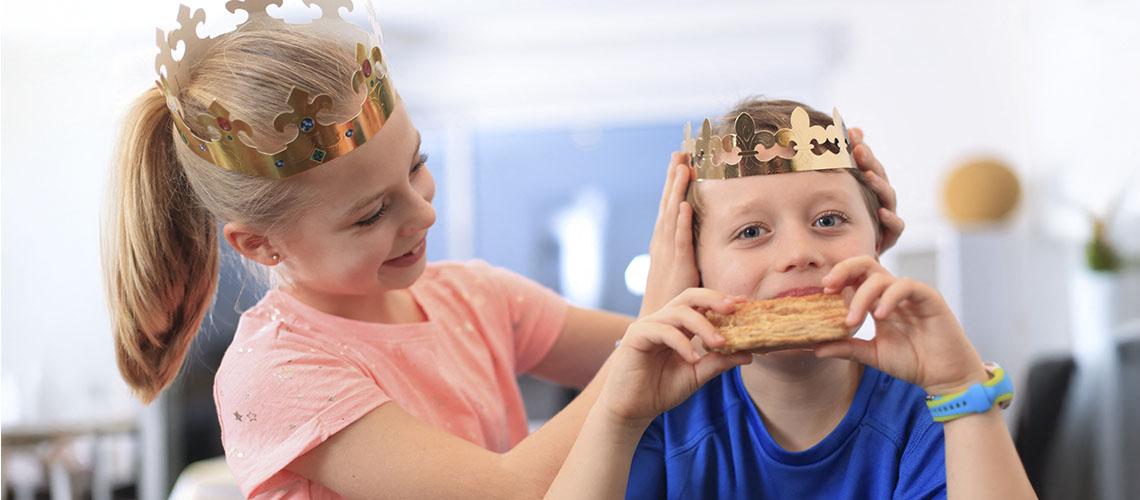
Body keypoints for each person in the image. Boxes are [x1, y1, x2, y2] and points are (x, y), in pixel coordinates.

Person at [103, 2, 902, 497]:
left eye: (418, 166)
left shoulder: (473, 298)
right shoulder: (274, 373)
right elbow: (513, 490)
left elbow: (686, 345)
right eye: (371, 214)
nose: (419, 214)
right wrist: (654, 333)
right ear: (259, 243)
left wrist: (833, 256)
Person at [543, 99, 1037, 499]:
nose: (800, 253)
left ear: (878, 240)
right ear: (693, 267)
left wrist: (961, 388)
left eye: (828, 220)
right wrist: (616, 417)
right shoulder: (658, 419)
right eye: (751, 231)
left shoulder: (934, 414)